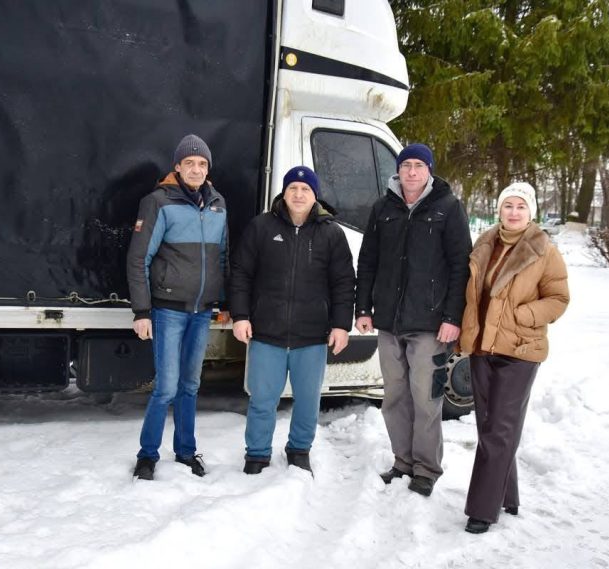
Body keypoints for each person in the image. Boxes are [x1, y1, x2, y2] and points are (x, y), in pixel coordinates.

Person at [355, 143, 472, 496]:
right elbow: (368, 261)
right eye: (406, 165)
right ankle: (402, 461)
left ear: (429, 171)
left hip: (431, 324)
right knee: (394, 396)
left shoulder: (448, 208)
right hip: (389, 322)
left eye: (418, 165)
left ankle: (426, 469)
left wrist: (453, 316)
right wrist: (363, 309)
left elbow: (460, 266)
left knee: (426, 399)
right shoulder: (383, 208)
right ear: (398, 170)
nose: (411, 172)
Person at [230, 166, 354, 475]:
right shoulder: (261, 227)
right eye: (293, 189)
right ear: (283, 193)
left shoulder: (331, 233)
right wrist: (241, 316)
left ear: (315, 196)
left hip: (311, 335)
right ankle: (257, 454)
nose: (299, 195)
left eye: (305, 190)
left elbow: (343, 283)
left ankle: (299, 449)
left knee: (308, 401)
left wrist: (341, 325)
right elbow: (241, 274)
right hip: (266, 332)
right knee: (262, 399)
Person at [460, 182, 569, 533]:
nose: (514, 212)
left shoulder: (543, 249)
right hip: (483, 348)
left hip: (520, 351)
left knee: (500, 430)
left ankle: (481, 510)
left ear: (531, 212)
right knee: (488, 426)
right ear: (499, 209)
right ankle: (508, 495)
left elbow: (558, 298)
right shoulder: (486, 242)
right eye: (508, 205)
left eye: (521, 206)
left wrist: (524, 315)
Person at [126, 134, 229, 481]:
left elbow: (223, 257)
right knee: (167, 387)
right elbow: (139, 258)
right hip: (168, 309)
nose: (196, 169)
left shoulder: (218, 204)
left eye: (202, 164)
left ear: (208, 169)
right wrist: (142, 311)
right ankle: (147, 454)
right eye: (189, 163)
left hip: (202, 312)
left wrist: (225, 302)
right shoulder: (158, 202)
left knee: (190, 385)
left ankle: (186, 450)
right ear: (178, 167)